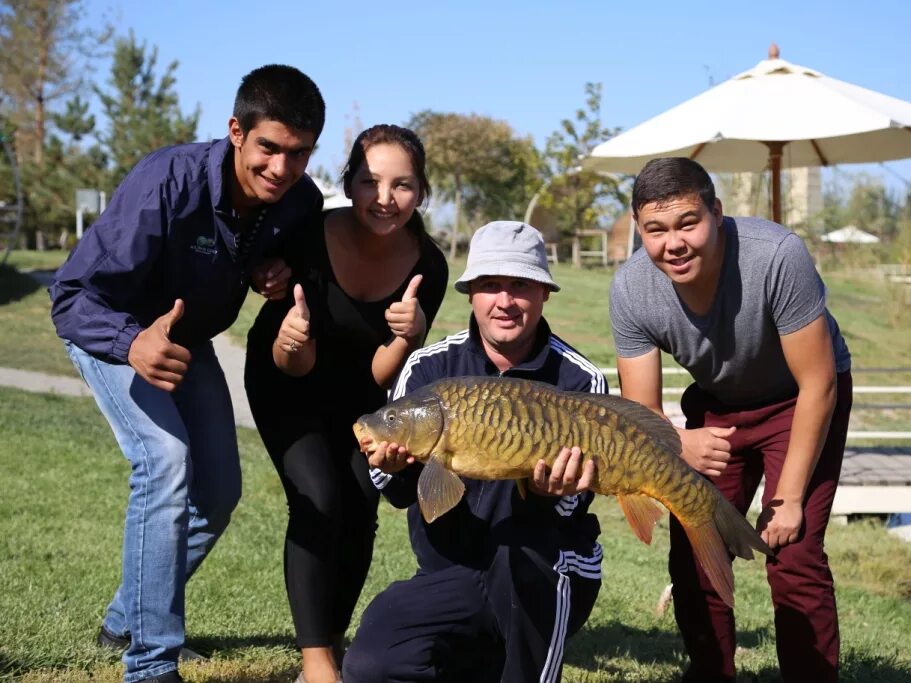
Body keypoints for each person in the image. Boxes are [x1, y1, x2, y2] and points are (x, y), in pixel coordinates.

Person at [48, 65, 326, 683]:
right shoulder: (165, 181)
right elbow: (70, 298)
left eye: (299, 153)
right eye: (269, 149)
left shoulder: (298, 202)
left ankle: (127, 618)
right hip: (110, 328)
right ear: (236, 131)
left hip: (185, 341)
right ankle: (150, 664)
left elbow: (282, 259)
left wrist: (272, 268)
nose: (282, 168)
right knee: (165, 463)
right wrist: (129, 342)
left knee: (219, 492)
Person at [609, 158, 852, 683]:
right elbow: (642, 411)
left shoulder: (777, 255)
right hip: (718, 404)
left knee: (795, 550)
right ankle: (713, 673)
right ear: (639, 230)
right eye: (655, 230)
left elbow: (819, 383)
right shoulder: (631, 288)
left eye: (687, 223)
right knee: (696, 543)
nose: (673, 243)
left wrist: (785, 501)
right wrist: (680, 443)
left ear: (716, 213)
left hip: (799, 399)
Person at [342, 221, 606, 683]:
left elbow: (572, 508)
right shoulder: (429, 369)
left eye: (520, 285)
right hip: (455, 571)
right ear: (470, 295)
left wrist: (547, 494)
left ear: (545, 292)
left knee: (520, 566)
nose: (504, 302)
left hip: (545, 566)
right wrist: (396, 468)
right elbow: (400, 493)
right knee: (371, 665)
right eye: (489, 286)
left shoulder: (580, 382)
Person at [243, 124, 448, 683]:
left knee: (361, 501)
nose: (385, 199)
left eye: (402, 185)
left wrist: (410, 335)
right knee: (319, 496)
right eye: (370, 181)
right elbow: (289, 355)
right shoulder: (306, 234)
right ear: (350, 183)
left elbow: (380, 374)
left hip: (362, 397)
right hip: (284, 374)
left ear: (422, 191)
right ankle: (316, 665)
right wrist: (287, 332)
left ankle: (331, 638)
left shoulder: (429, 265)